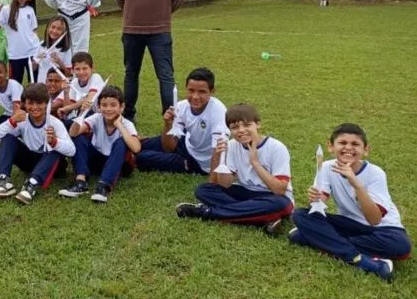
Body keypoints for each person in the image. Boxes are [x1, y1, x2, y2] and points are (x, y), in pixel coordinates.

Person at [289, 123, 411, 282]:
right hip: (349, 224)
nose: (348, 148)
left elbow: (374, 220)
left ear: (365, 150)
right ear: (331, 146)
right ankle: (360, 259)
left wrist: (356, 184)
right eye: (342, 143)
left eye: (355, 144)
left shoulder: (375, 174)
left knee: (400, 246)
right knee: (300, 215)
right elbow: (318, 207)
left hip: (383, 230)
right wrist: (315, 199)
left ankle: (316, 239)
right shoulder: (326, 167)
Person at [175, 104, 294, 235]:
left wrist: (255, 162)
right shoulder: (232, 145)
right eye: (235, 127)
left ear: (258, 124)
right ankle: (261, 218)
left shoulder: (277, 148)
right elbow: (224, 184)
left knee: (280, 204)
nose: (241, 130)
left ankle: (207, 212)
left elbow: (280, 190)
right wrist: (220, 156)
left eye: (247, 125)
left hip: (273, 197)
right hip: (247, 194)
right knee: (204, 190)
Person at [113, 0, 185, 122]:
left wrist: (161, 15)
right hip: (131, 31)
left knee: (165, 76)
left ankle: (170, 118)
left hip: (160, 32)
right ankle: (128, 115)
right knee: (131, 74)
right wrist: (133, 14)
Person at [0, 83, 76, 205]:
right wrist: (11, 121)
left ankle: (31, 185)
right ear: (24, 104)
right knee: (8, 138)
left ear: (47, 103)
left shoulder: (55, 123)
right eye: (30, 103)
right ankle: (4, 181)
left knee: (54, 150)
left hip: (53, 165)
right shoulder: (22, 120)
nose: (35, 107)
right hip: (30, 162)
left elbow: (72, 151)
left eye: (39, 103)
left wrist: (55, 141)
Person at [136, 68, 228, 175]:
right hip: (186, 143)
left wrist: (212, 181)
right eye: (191, 90)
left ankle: (131, 158)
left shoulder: (218, 111)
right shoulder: (181, 106)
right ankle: (121, 150)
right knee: (139, 145)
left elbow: (218, 149)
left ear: (212, 91)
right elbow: (169, 147)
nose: (195, 97)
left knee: (142, 158)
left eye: (202, 92)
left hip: (197, 162)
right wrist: (168, 125)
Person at [60, 85, 140, 203]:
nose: (108, 109)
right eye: (104, 105)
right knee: (79, 137)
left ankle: (104, 186)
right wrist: (82, 114)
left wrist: (120, 126)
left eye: (113, 105)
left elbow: (137, 148)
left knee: (122, 142)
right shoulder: (97, 118)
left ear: (121, 107)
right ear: (98, 106)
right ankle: (80, 182)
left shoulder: (126, 123)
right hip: (97, 161)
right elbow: (73, 133)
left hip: (120, 166)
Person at [0, 0, 38, 84]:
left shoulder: (30, 10)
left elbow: (34, 32)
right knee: (16, 85)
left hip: (31, 53)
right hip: (15, 55)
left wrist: (37, 54)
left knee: (34, 83)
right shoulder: (5, 9)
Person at [56, 52, 105, 122]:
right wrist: (66, 92)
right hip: (86, 117)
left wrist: (67, 108)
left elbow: (88, 101)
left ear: (92, 68)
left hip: (100, 116)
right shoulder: (74, 82)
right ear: (72, 71)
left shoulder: (96, 77)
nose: (81, 72)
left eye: (85, 68)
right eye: (77, 69)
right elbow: (67, 112)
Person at [33, 16, 72, 84]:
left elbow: (69, 74)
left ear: (64, 32)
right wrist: (38, 59)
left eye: (59, 29)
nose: (54, 31)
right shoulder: (41, 45)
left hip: (58, 87)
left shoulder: (66, 49)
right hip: (42, 85)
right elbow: (33, 68)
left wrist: (60, 62)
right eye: (53, 27)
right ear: (48, 27)